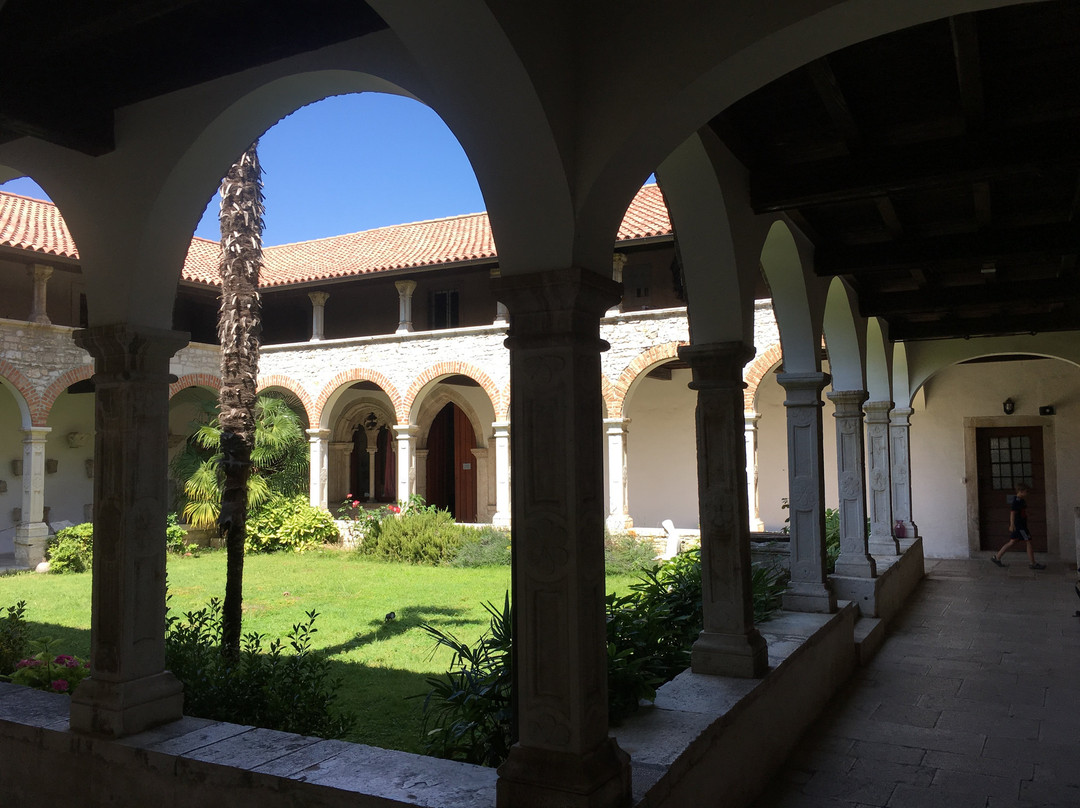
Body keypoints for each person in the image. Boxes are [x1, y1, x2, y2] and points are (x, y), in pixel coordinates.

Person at [990, 484, 1045, 570]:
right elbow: (1012, 513)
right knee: (1028, 541)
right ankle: (1033, 563)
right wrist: (1012, 524)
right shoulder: (1016, 501)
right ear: (1021, 491)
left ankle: (997, 557)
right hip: (1020, 526)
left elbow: (1022, 512)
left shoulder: (1022, 501)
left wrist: (1028, 515)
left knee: (1012, 542)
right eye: (1026, 491)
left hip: (1022, 524)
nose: (1027, 493)